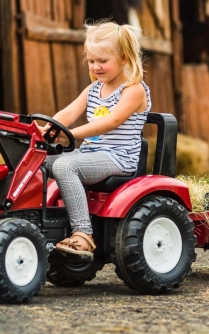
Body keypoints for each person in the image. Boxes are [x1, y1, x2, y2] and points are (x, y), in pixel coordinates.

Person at [39, 19, 151, 258]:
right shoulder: (93, 90)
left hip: (119, 159)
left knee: (65, 164)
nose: (96, 67)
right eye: (91, 61)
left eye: (103, 61)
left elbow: (112, 122)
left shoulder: (134, 90)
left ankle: (83, 234)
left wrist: (70, 134)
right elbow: (68, 113)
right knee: (38, 160)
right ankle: (38, 223)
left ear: (123, 58)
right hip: (90, 155)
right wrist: (47, 130)